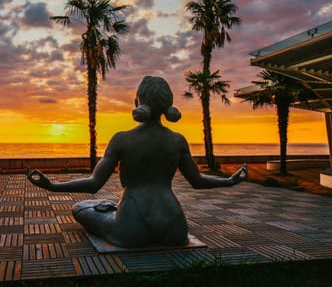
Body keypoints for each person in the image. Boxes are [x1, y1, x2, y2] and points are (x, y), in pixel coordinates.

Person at [27, 76, 247, 248]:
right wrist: (229, 181)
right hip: (174, 224)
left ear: (137, 103)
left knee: (82, 208)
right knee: (107, 208)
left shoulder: (122, 139)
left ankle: (113, 215)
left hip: (132, 223)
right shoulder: (178, 141)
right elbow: (197, 180)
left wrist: (53, 186)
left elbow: (94, 184)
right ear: (168, 106)